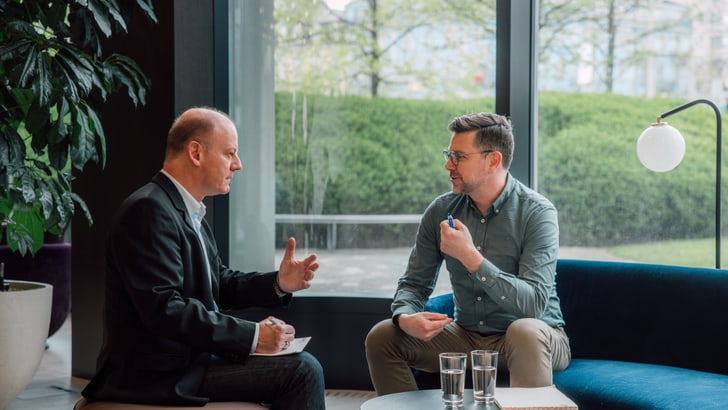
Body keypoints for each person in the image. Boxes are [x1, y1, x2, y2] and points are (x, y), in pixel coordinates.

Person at [81, 107, 325, 409]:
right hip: (155, 374)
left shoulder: (185, 209)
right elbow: (165, 310)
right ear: (195, 152)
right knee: (302, 371)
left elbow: (218, 282)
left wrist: (278, 283)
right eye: (229, 153)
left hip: (190, 359)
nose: (238, 165)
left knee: (299, 366)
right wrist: (253, 336)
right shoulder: (147, 211)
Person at [365, 112, 571, 395]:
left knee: (523, 331)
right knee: (383, 336)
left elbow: (533, 305)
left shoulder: (538, 213)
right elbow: (414, 283)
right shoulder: (441, 210)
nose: (448, 164)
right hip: (467, 337)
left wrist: (471, 258)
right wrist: (405, 316)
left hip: (538, 338)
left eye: (459, 156)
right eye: (449, 154)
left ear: (493, 160)